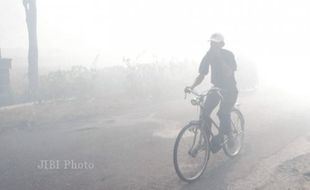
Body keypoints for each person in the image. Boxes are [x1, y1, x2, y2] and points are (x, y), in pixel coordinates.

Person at [185, 33, 238, 152]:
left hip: (230, 89)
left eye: (214, 43)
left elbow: (228, 73)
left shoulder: (228, 55)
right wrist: (192, 86)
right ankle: (206, 139)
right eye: (211, 43)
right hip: (216, 88)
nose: (211, 45)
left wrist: (219, 57)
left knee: (223, 113)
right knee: (204, 112)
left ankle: (229, 135)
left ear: (221, 44)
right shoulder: (208, 56)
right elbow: (202, 75)